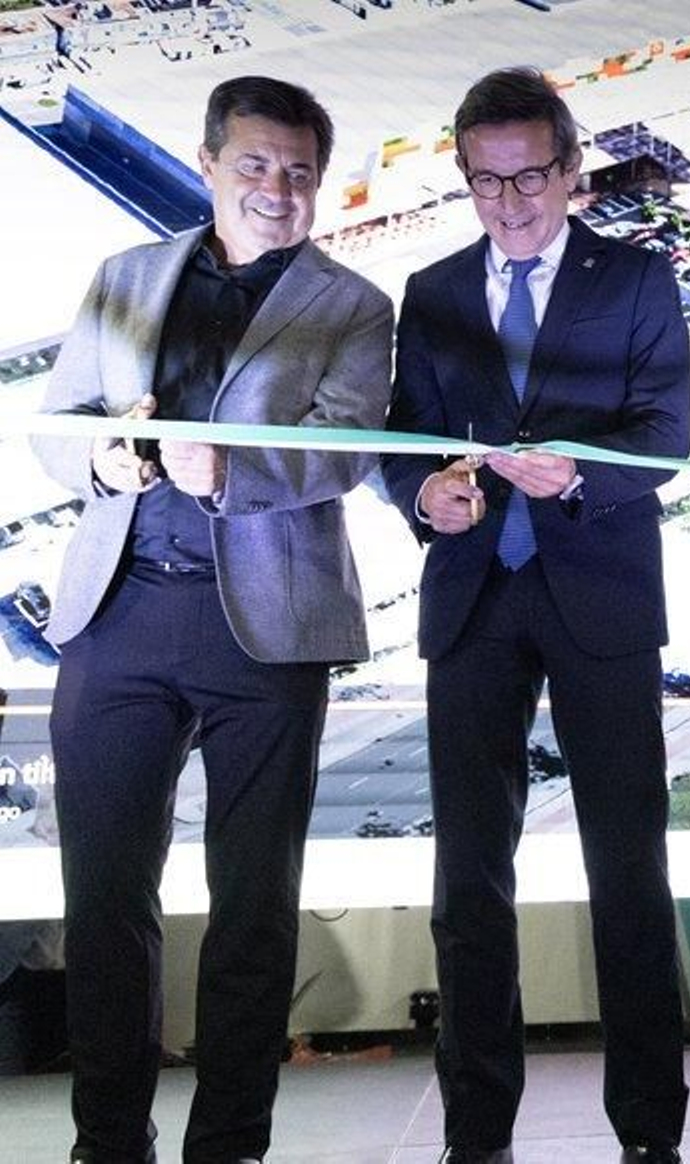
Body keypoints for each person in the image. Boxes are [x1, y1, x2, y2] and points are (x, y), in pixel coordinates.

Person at [29, 75, 393, 1163]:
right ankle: (108, 1142)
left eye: (299, 172)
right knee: (104, 901)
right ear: (208, 165)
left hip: (267, 632)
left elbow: (349, 450)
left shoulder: (355, 306)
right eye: (255, 165)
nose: (278, 188)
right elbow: (57, 424)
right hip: (120, 613)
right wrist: (106, 459)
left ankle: (230, 1145)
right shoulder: (126, 275)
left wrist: (230, 470)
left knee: (254, 907)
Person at [380, 67, 690, 1164]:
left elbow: (665, 434)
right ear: (465, 177)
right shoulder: (430, 290)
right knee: (469, 882)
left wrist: (583, 474)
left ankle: (649, 1135)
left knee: (629, 875)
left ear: (569, 170)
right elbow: (405, 436)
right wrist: (425, 496)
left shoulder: (638, 277)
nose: (509, 203)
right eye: (486, 181)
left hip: (600, 592)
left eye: (528, 177)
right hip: (473, 599)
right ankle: (477, 1136)